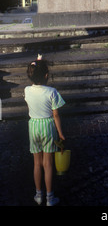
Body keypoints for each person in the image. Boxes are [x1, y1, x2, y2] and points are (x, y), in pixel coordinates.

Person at [24, 56, 65, 206]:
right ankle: (49, 197)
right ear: (47, 75)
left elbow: (36, 71)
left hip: (33, 126)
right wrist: (60, 133)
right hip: (48, 126)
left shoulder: (27, 90)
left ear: (30, 75)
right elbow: (56, 115)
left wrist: (37, 62)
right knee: (48, 164)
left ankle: (38, 195)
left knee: (37, 163)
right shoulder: (52, 92)